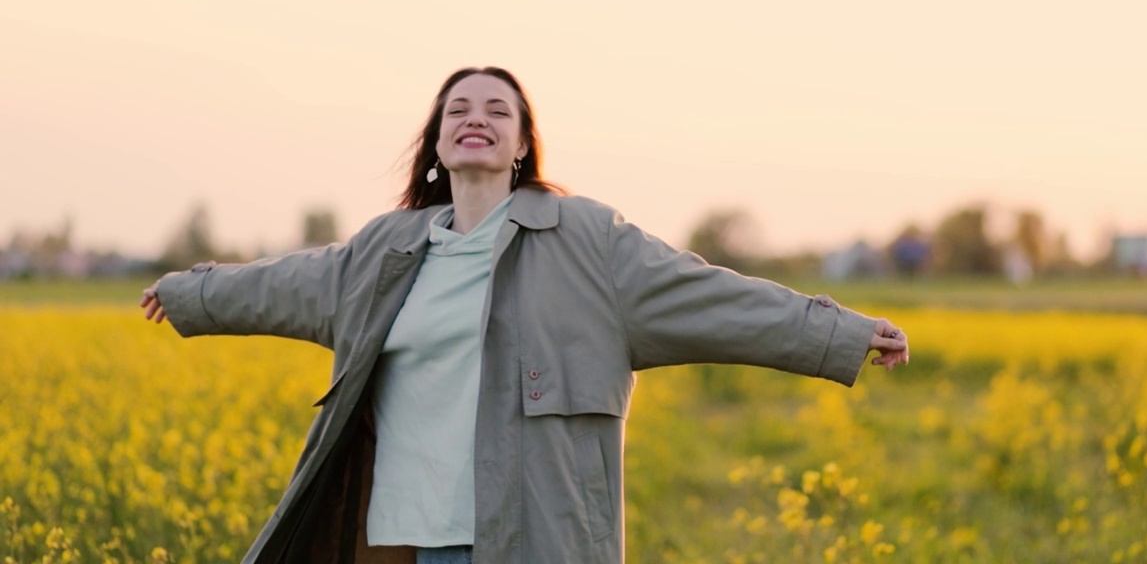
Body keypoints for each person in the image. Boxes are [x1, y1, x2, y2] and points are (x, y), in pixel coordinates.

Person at [140, 66, 909, 564]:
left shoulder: (587, 243)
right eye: (459, 109)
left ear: (520, 146)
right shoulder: (386, 250)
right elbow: (284, 285)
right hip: (406, 539)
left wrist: (839, 333)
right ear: (439, 144)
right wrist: (187, 294)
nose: (477, 117)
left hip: (534, 541)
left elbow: (713, 297)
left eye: (498, 110)